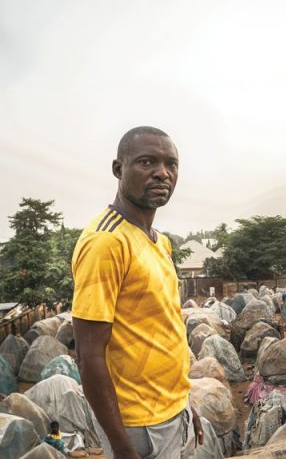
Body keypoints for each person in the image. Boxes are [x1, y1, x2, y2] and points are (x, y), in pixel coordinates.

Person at [71, 127, 203, 459]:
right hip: (137, 425)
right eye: (147, 162)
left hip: (170, 411)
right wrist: (122, 448)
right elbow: (89, 356)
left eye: (171, 164)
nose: (163, 173)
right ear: (119, 169)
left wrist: (184, 404)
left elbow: (162, 327)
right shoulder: (106, 242)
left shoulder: (160, 241)